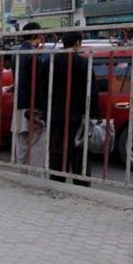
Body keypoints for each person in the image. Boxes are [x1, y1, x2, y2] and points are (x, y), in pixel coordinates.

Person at [48, 31, 100, 186]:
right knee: (79, 157)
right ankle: (81, 188)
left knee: (57, 156)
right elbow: (92, 91)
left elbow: (43, 88)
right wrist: (94, 114)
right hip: (78, 117)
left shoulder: (51, 61)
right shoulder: (83, 63)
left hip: (56, 116)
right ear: (78, 43)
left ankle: (57, 185)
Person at [14, 23, 49, 167]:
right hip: (33, 105)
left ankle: (21, 172)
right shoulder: (34, 55)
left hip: (20, 103)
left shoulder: (17, 54)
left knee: (21, 142)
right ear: (36, 35)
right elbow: (39, 83)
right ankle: (33, 177)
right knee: (36, 142)